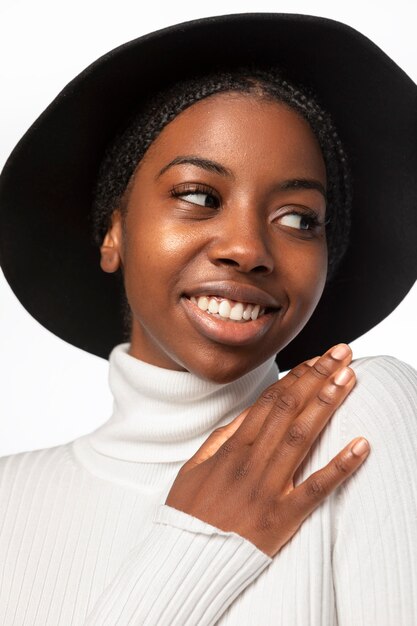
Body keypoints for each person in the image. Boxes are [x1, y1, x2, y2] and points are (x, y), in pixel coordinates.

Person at [0, 12, 416, 626]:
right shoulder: (10, 502)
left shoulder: (358, 415)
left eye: (300, 218)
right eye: (199, 196)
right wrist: (199, 542)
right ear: (113, 231)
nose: (247, 249)